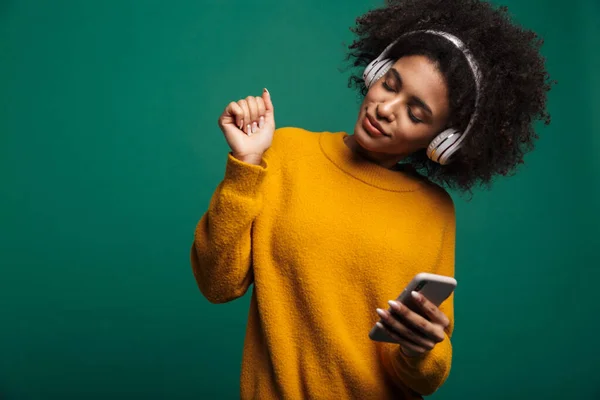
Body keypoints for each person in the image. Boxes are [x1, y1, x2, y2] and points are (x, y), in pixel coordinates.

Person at [190, 0, 552, 398]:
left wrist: (422, 349)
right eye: (390, 84)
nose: (385, 109)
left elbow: (424, 377)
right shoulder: (285, 152)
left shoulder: (433, 211)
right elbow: (218, 284)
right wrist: (246, 163)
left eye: (416, 114)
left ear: (443, 142)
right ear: (375, 71)